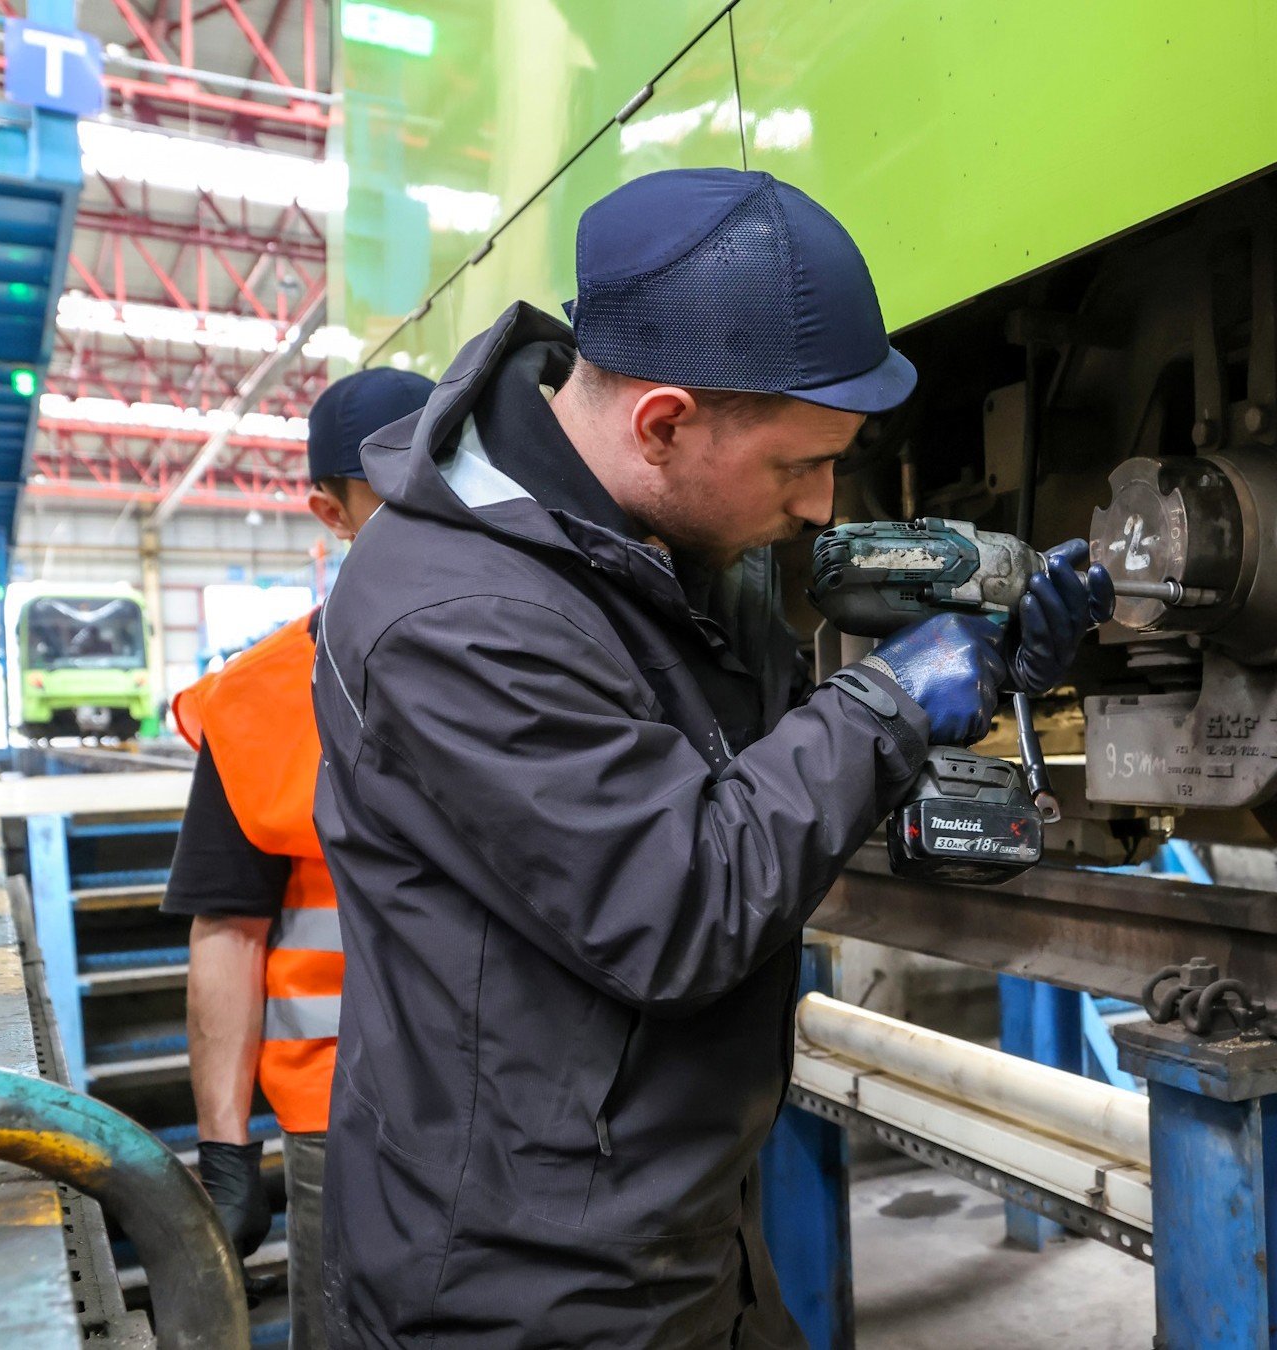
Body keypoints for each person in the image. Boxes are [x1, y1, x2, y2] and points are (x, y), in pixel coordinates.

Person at [311, 168, 1113, 1349]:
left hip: (673, 1224)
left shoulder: (644, 543)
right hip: (519, 1282)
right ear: (665, 421)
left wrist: (995, 663)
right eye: (801, 467)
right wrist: (891, 699)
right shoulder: (454, 614)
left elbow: (775, 772)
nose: (821, 505)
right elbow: (680, 906)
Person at [162, 367, 437, 1350]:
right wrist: (226, 1148)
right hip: (345, 1120)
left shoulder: (552, 651)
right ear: (332, 511)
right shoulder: (256, 703)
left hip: (536, 1105)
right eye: (400, 485)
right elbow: (229, 931)